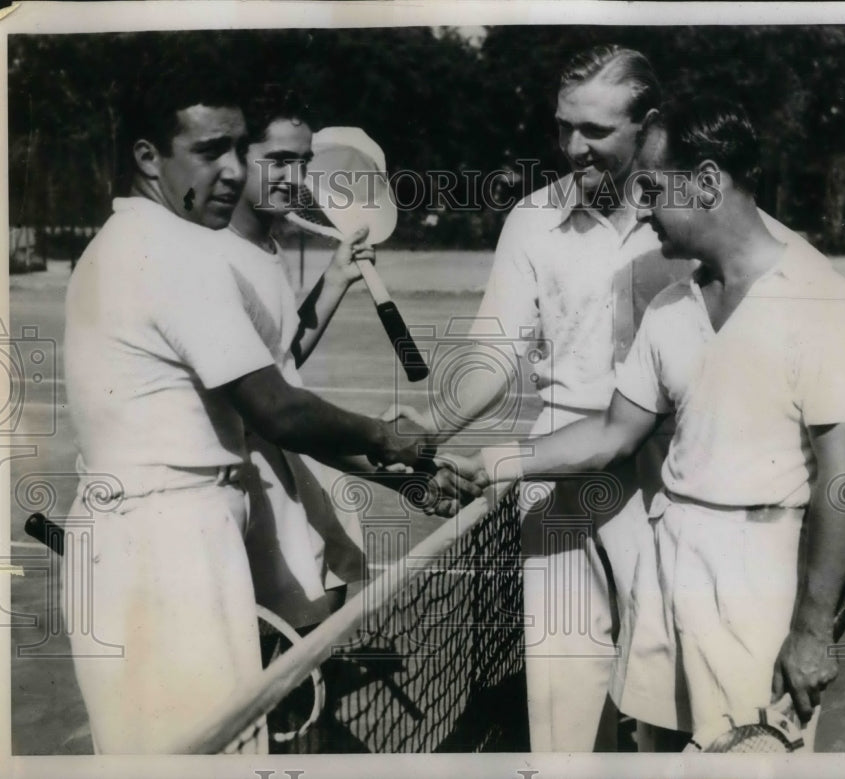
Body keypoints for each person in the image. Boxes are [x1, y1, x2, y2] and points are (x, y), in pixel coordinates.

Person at [443, 95, 845, 749]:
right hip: (664, 574)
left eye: (652, 188)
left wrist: (813, 628)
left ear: (708, 182)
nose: (641, 206)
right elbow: (610, 434)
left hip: (758, 588)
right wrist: (497, 462)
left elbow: (843, 474)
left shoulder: (822, 301)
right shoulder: (672, 306)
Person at [62, 53, 435, 754]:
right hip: (173, 544)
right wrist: (391, 441)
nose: (233, 170)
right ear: (148, 156)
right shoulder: (180, 253)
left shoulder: (121, 241)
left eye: (239, 148)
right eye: (210, 151)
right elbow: (278, 409)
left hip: (138, 534)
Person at [389, 44, 686, 752]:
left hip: (665, 482)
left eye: (595, 132)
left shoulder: (690, 215)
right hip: (552, 481)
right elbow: (494, 354)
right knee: (563, 708)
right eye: (563, 128)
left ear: (648, 126)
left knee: (668, 706)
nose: (573, 149)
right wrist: (425, 430)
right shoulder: (531, 218)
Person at [216, 89, 468, 750]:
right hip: (259, 517)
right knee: (286, 708)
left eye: (303, 162)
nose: (294, 179)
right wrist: (399, 464)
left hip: (296, 502)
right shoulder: (215, 259)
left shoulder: (263, 252)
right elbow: (280, 411)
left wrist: (330, 283)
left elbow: (279, 365)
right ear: (237, 158)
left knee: (303, 698)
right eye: (277, 160)